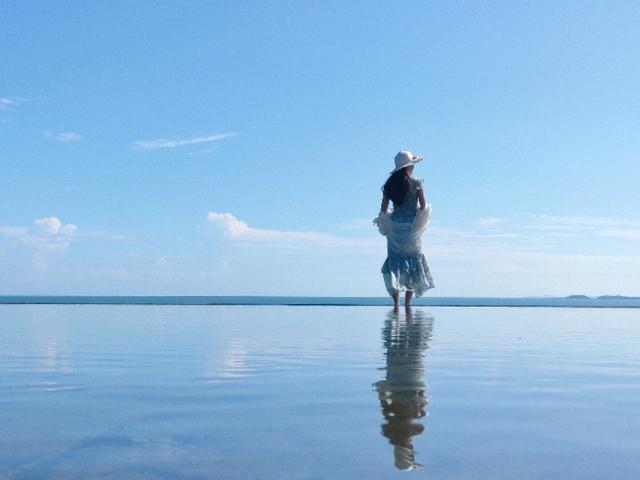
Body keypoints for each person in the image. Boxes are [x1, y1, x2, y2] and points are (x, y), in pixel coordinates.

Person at [374, 151, 434, 309]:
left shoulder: (389, 186)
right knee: (413, 263)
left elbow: (383, 209)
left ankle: (395, 304)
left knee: (395, 262)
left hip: (394, 228)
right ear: (409, 166)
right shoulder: (417, 183)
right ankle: (408, 304)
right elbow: (423, 206)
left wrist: (393, 217)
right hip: (412, 227)